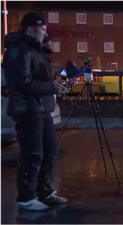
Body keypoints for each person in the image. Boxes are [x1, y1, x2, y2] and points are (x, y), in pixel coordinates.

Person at [3, 12, 69, 211]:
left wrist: (55, 85)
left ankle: (45, 192)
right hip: (28, 109)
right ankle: (26, 198)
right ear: (31, 29)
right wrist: (52, 87)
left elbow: (39, 79)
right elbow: (21, 83)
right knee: (32, 154)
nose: (45, 33)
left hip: (41, 109)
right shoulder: (18, 51)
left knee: (50, 152)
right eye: (42, 29)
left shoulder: (36, 50)